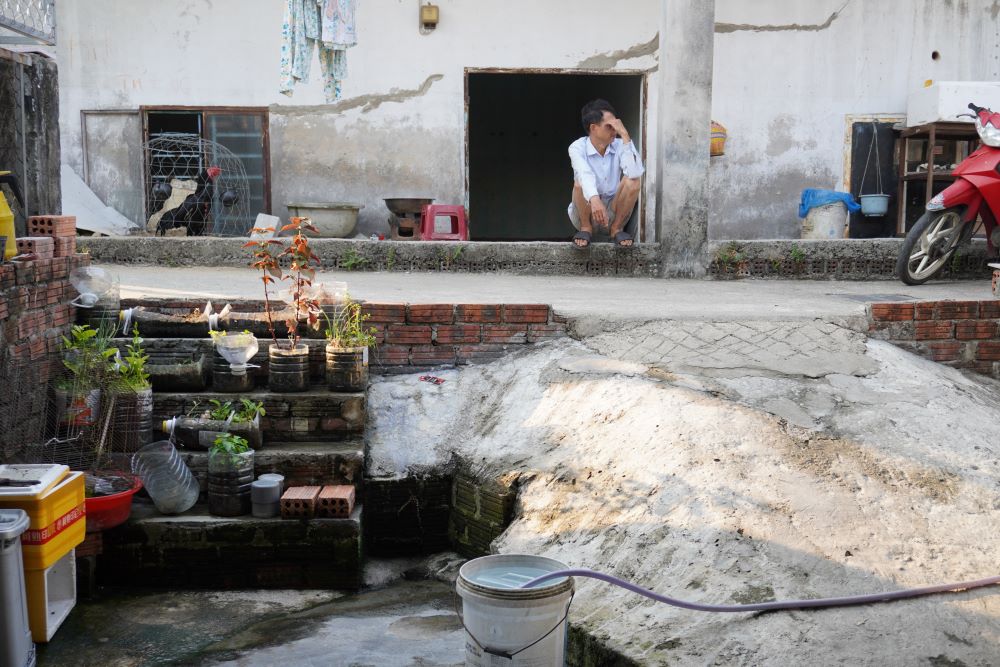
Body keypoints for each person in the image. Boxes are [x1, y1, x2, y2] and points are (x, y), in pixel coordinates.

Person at [568, 99, 644, 248]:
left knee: (633, 181)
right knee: (579, 182)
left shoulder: (620, 144)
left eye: (616, 125)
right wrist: (594, 199)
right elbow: (584, 173)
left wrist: (625, 135)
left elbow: (635, 172)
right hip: (586, 211)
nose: (614, 130)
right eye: (609, 126)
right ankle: (586, 228)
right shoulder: (577, 147)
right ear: (593, 128)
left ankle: (616, 229)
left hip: (614, 212)